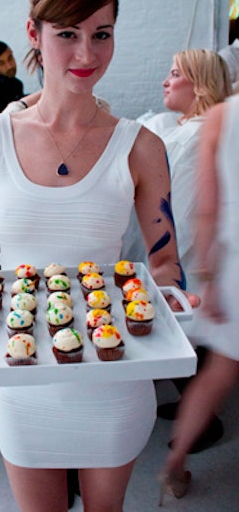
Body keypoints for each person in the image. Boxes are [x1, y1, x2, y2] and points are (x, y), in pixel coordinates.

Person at [0, 0, 198, 512]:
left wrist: (172, 296)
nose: (86, 52)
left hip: (114, 386)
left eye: (102, 32)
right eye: (67, 33)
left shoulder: (141, 147)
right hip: (23, 383)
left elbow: (163, 261)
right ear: (34, 33)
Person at [125, 50, 232, 451]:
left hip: (188, 260)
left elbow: (180, 212)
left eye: (174, 74)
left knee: (182, 335)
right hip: (191, 259)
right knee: (186, 337)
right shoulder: (189, 128)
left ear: (200, 86)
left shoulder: (196, 136)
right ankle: (194, 407)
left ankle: (203, 422)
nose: (165, 82)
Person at [158, 93, 239, 504]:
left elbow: (205, 212)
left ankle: (175, 466)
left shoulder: (222, 117)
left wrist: (208, 277)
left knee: (216, 374)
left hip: (233, 267)